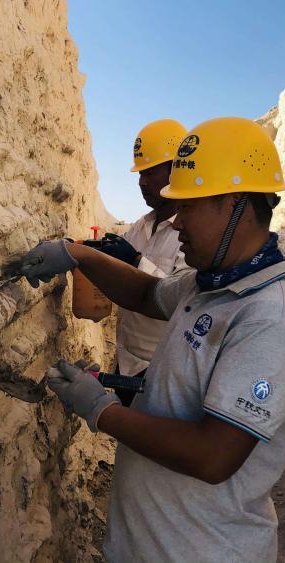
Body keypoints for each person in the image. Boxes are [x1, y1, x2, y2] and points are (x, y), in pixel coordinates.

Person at [20, 117, 285, 562]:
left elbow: (212, 455)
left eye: (189, 207)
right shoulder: (209, 285)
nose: (176, 222)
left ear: (234, 205)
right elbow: (146, 294)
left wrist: (100, 409)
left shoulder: (270, 321)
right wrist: (78, 254)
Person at [94, 119, 190, 404]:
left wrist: (136, 261)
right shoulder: (140, 227)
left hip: (161, 370)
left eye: (150, 172)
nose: (142, 182)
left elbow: (182, 298)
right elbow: (111, 258)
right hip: (126, 363)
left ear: (176, 170)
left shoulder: (192, 234)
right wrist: (83, 251)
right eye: (140, 173)